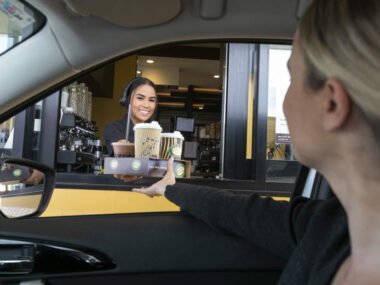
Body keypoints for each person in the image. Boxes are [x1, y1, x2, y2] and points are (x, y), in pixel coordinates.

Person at [132, 0, 380, 284]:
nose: (283, 104)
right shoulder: (329, 225)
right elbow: (239, 212)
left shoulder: (330, 229)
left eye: (291, 78)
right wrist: (169, 187)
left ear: (332, 103)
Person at [104, 77, 158, 155]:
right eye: (140, 98)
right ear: (127, 100)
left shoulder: (157, 133)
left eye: (151, 100)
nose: (146, 105)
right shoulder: (113, 128)